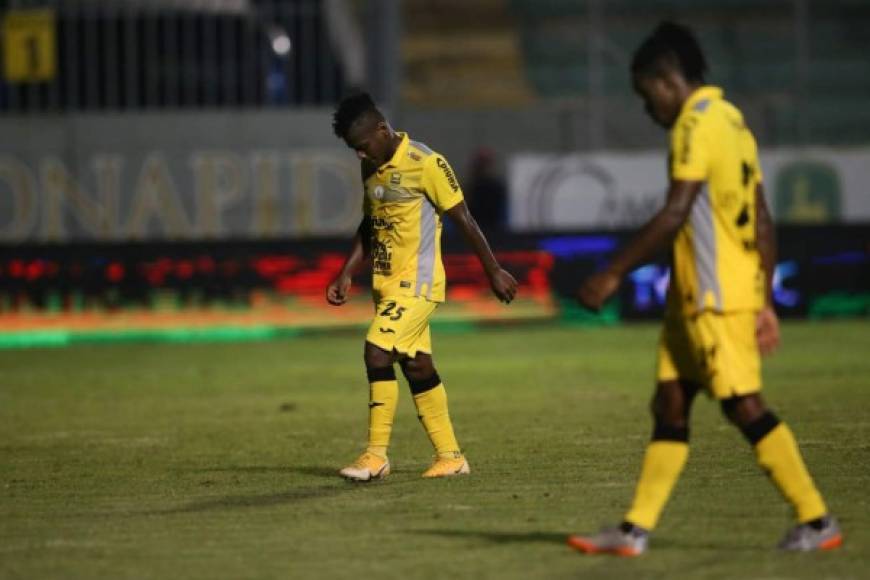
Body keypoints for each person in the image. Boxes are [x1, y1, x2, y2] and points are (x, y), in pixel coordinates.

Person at [568, 22, 842, 555]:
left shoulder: (695, 125)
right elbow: (761, 216)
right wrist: (764, 299)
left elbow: (674, 212)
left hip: (716, 295)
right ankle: (633, 531)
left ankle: (816, 519)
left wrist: (612, 272)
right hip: (698, 295)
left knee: (744, 404)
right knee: (669, 402)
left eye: (646, 96)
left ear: (665, 81)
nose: (648, 109)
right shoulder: (734, 121)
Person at [327, 92, 518, 481]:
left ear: (382, 130)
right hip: (387, 285)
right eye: (354, 151)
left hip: (419, 284)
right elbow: (370, 225)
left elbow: (464, 218)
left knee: (377, 351)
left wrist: (493, 270)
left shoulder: (426, 162)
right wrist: (347, 271)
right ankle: (450, 457)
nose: (360, 156)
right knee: (416, 366)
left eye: (362, 147)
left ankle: (375, 456)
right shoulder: (372, 168)